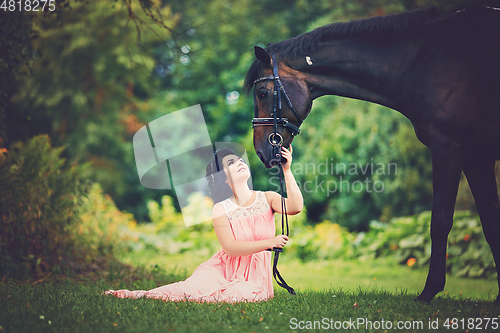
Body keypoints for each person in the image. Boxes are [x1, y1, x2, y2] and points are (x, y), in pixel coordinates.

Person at [104, 145, 303, 302]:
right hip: (222, 270)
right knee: (187, 290)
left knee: (237, 294)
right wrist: (269, 242)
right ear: (224, 178)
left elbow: (295, 207)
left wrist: (286, 170)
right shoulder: (220, 209)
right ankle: (137, 295)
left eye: (240, 160)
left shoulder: (267, 198)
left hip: (254, 278)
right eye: (231, 163)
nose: (240, 162)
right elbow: (231, 249)